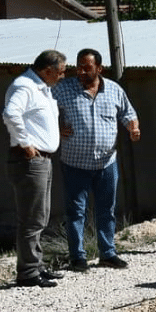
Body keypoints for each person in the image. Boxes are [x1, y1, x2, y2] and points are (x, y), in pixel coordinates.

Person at [53, 48, 141, 272]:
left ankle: (108, 253)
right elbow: (44, 110)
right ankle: (77, 258)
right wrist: (54, 127)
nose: (81, 71)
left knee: (106, 210)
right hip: (74, 163)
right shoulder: (63, 88)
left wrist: (133, 127)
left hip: (106, 163)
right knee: (75, 213)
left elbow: (127, 113)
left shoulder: (113, 90)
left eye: (87, 67)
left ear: (99, 69)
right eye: (78, 67)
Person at [2, 50, 68, 288]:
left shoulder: (42, 88)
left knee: (40, 216)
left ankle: (36, 265)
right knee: (31, 218)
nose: (62, 77)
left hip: (43, 160)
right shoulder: (25, 86)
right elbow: (10, 113)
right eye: (60, 72)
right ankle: (28, 272)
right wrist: (26, 143)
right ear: (47, 70)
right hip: (29, 160)